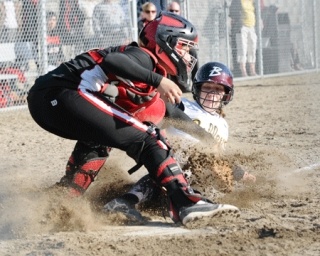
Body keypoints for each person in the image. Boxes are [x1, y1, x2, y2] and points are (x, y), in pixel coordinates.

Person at [27, 12, 239, 226]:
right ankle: (185, 202)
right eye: (183, 46)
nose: (188, 54)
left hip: (48, 101)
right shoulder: (143, 57)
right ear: (165, 41)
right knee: (149, 139)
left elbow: (171, 113)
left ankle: (56, 204)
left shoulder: (145, 75)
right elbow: (112, 61)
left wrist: (207, 139)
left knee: (100, 142)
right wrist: (158, 81)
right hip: (63, 92)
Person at [103, 61, 256, 221]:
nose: (212, 93)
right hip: (171, 169)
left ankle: (190, 203)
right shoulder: (183, 105)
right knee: (178, 162)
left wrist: (239, 173)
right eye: (207, 87)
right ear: (197, 89)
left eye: (218, 89)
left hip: (193, 183)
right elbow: (161, 109)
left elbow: (218, 156)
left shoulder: (223, 125)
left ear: (226, 94)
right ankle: (126, 201)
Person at [229, 0, 259, 77]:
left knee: (252, 48)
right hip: (242, 27)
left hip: (252, 26)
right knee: (242, 49)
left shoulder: (252, 1)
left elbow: (256, 11)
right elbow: (232, 14)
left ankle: (252, 70)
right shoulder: (237, 1)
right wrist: (237, 23)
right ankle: (243, 71)